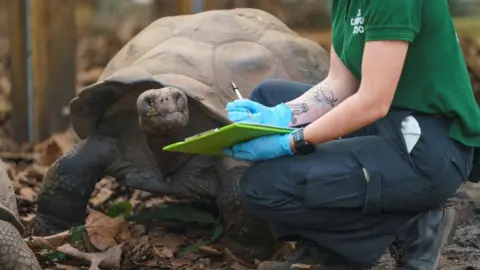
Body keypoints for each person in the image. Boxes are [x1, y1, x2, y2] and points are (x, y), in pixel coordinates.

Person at [223, 1, 480, 269]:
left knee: (263, 187)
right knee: (267, 95)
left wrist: (291, 141)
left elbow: (373, 101)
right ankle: (325, 246)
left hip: (428, 147)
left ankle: (406, 224)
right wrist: (279, 116)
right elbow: (340, 84)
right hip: (389, 119)